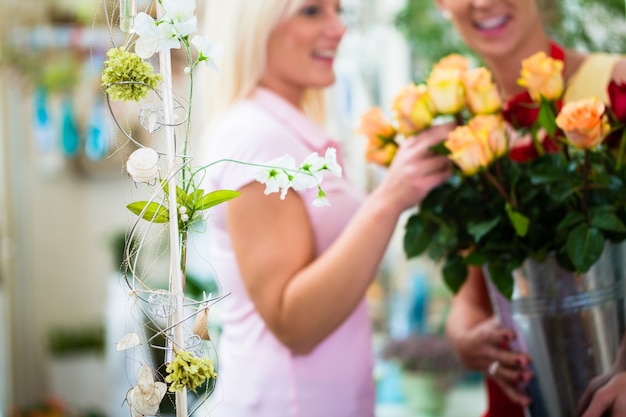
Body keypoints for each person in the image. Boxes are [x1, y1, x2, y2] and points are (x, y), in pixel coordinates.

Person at [198, 1, 452, 416]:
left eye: (339, 10)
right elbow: (293, 323)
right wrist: (390, 197)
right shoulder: (257, 137)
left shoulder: (285, 131)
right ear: (256, 24)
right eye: (312, 11)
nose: (338, 28)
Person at [432, 1, 626, 416]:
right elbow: (471, 299)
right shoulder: (467, 138)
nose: (482, 3)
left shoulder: (616, 85)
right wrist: (466, 339)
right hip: (519, 399)